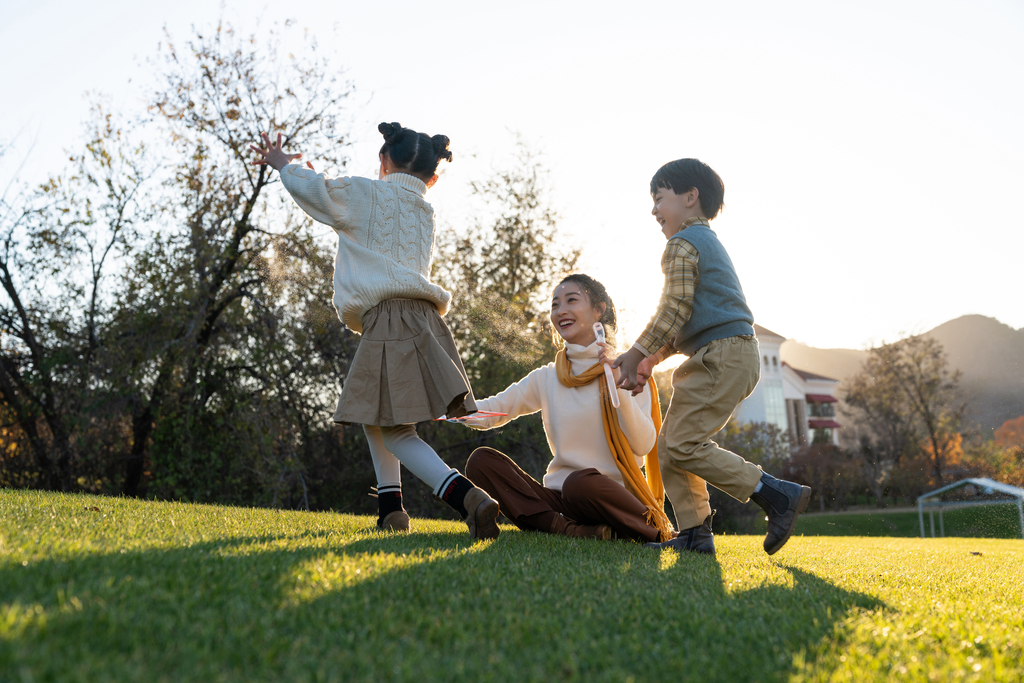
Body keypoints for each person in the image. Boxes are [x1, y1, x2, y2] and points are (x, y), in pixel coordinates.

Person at [249, 123, 500, 540]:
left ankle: (467, 497)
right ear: (432, 178)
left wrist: (283, 165)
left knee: (397, 429)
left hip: (389, 318)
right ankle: (391, 511)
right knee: (376, 413)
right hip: (421, 320)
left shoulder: (366, 192)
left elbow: (318, 193)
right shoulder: (423, 211)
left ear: (383, 160)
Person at [612, 158, 811, 556]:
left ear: (690, 197)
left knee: (684, 444)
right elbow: (690, 319)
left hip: (723, 354)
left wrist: (637, 352)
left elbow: (673, 308)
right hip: (724, 352)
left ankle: (774, 493)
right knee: (672, 445)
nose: (654, 210)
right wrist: (653, 358)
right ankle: (695, 533)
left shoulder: (682, 244)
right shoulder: (706, 241)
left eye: (659, 197)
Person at [461, 274, 675, 543]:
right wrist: (455, 408)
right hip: (559, 500)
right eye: (554, 305)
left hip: (605, 496)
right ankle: (570, 530)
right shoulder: (547, 377)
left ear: (599, 309)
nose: (560, 311)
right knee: (481, 462)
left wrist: (615, 381)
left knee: (581, 483)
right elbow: (494, 410)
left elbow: (643, 444)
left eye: (571, 300)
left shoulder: (629, 371)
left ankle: (646, 531)